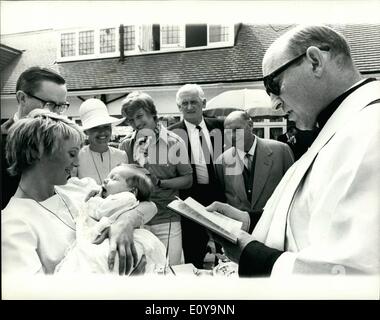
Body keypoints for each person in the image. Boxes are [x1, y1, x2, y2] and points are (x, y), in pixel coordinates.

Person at [207, 25, 380, 276]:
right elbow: (313, 218)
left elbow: (355, 271)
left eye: (273, 84)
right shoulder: (338, 127)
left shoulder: (371, 129)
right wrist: (248, 220)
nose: (274, 103)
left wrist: (252, 255)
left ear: (314, 61)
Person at [2, 111, 157, 275]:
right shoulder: (13, 224)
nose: (76, 163)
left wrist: (126, 221)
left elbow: (149, 204)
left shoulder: (80, 188)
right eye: (71, 154)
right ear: (36, 152)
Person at [119, 91, 193, 266]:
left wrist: (159, 182)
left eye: (139, 116)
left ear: (152, 113)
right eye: (130, 120)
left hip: (167, 218)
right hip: (137, 220)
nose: (136, 123)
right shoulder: (125, 145)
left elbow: (188, 180)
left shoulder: (174, 142)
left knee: (171, 270)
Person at [55, 164, 166, 274]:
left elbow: (151, 206)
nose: (105, 180)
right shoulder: (112, 196)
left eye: (114, 178)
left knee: (96, 262)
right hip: (101, 238)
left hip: (109, 240)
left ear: (132, 191)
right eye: (108, 177)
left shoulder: (126, 197)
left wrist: (125, 221)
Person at [168, 84, 226, 269]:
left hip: (220, 197)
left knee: (225, 251)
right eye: (184, 103)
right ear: (179, 107)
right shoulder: (171, 134)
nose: (189, 107)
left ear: (203, 103)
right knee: (194, 253)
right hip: (189, 200)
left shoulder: (220, 127)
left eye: (194, 102)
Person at [1, 66, 69, 210]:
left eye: (61, 106)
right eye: (49, 104)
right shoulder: (3, 140)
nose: (56, 114)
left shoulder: (63, 141)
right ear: (22, 98)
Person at [215, 111, 294, 217]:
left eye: (237, 130)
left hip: (274, 222)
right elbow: (223, 198)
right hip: (239, 229)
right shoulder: (222, 161)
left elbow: (293, 190)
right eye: (228, 132)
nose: (232, 136)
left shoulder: (281, 151)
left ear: (250, 125)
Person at [75, 98, 127, 184]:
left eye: (106, 126)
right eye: (95, 128)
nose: (102, 132)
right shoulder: (77, 157)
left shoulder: (121, 156)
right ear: (86, 131)